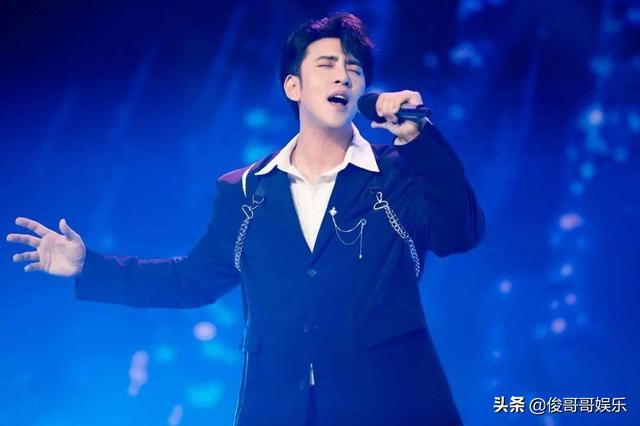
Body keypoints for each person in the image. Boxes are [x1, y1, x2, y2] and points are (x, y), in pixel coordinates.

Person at [7, 12, 484, 426]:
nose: (342, 77)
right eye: (327, 65)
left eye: (354, 69)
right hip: (279, 409)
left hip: (390, 404)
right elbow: (191, 281)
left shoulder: (398, 174)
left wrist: (419, 139)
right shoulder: (246, 192)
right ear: (293, 86)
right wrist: (89, 266)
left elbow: (458, 234)